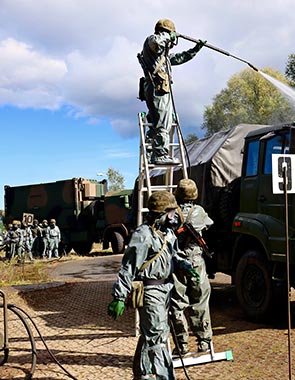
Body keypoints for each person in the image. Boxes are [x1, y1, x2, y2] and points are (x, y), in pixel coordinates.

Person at [107, 190, 199, 380]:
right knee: (157, 338)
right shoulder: (144, 235)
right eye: (171, 212)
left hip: (165, 289)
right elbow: (128, 267)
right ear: (160, 214)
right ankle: (164, 376)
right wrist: (119, 296)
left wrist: (186, 265)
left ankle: (142, 374)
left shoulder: (168, 234)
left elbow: (173, 255)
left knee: (152, 335)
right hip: (150, 291)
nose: (174, 216)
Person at [138, 18, 206, 165]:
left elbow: (180, 58)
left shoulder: (162, 57)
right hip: (157, 89)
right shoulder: (153, 41)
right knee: (163, 122)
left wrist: (195, 49)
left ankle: (151, 152)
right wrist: (169, 36)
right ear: (165, 33)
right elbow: (156, 42)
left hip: (159, 89)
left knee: (157, 122)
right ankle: (160, 154)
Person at [169, 179, 214, 356]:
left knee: (177, 304)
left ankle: (182, 345)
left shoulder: (171, 213)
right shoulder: (199, 211)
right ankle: (204, 343)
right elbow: (208, 224)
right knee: (200, 301)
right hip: (196, 263)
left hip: (177, 262)